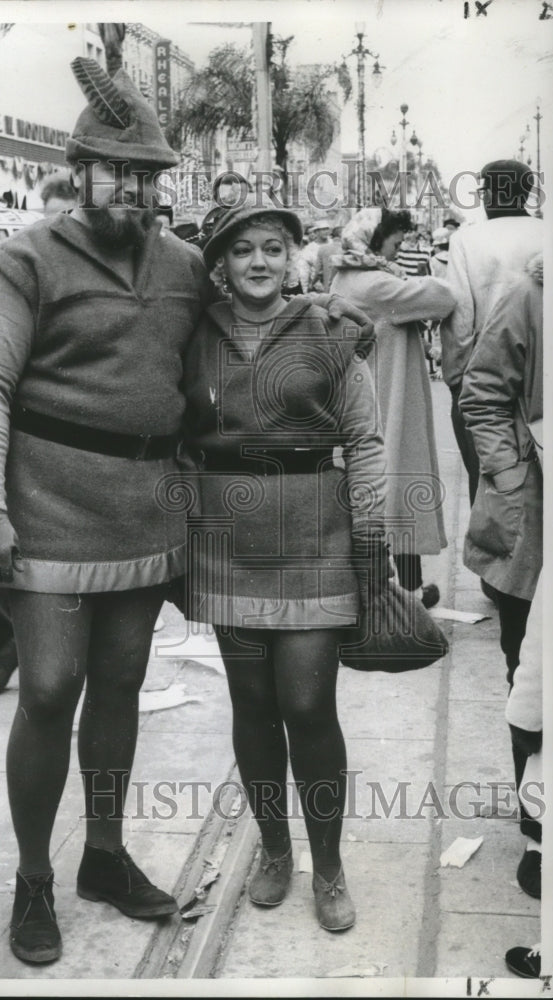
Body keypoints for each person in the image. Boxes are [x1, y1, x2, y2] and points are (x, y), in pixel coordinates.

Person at [0, 58, 212, 965]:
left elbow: (207, 377)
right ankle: (33, 878)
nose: (136, 188)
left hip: (142, 517)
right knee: (50, 688)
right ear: (79, 170)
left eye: (149, 174)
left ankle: (102, 857)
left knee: (118, 686)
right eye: (119, 170)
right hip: (43, 512)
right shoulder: (23, 261)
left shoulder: (186, 265)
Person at [181, 192, 385, 932]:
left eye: (272, 247)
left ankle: (327, 866)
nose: (259, 262)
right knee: (252, 706)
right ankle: (273, 850)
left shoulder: (326, 328)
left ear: (293, 256)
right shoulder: (190, 334)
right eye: (242, 250)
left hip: (315, 535)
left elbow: (363, 438)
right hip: (226, 540)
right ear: (220, 265)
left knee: (306, 705)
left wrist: (370, 536)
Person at [459, 254, 543, 899]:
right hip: (539, 527)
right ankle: (540, 831)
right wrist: (513, 477)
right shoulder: (529, 293)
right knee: (533, 683)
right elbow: (482, 395)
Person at [331, 207, 456, 605]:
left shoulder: (351, 277)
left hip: (375, 396)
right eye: (396, 242)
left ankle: (405, 588)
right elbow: (444, 296)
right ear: (374, 240)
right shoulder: (372, 284)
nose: (400, 250)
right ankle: (402, 593)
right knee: (397, 488)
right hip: (385, 402)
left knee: (391, 490)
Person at [439, 159, 542, 507]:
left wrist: (457, 380)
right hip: (543, 378)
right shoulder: (549, 234)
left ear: (488, 194)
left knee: (488, 486)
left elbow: (460, 316)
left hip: (486, 383)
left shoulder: (467, 239)